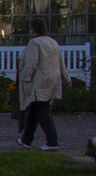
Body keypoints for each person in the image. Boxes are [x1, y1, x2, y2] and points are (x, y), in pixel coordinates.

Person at [16, 18, 69, 151]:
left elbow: (32, 63)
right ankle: (26, 140)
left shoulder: (35, 43)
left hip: (39, 82)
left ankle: (52, 142)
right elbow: (60, 63)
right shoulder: (53, 43)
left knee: (42, 110)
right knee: (35, 109)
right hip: (52, 80)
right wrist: (66, 78)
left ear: (33, 29)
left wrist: (24, 77)